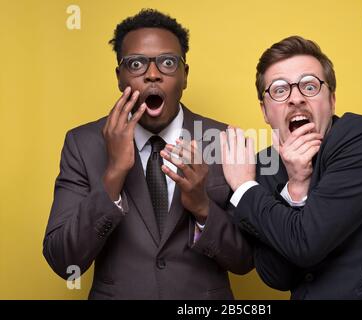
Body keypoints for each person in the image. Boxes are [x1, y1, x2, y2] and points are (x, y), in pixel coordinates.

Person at [43, 9, 252, 300]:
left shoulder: (224, 141)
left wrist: (203, 207)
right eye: (136, 64)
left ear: (185, 75)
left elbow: (244, 261)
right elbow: (63, 261)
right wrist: (113, 174)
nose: (152, 74)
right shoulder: (82, 144)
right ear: (119, 77)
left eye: (168, 63)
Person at [220, 36, 362, 299]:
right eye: (280, 90)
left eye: (310, 86)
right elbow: (277, 275)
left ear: (332, 100)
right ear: (265, 111)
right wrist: (296, 187)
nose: (295, 98)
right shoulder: (262, 167)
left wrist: (245, 188)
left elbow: (306, 243)